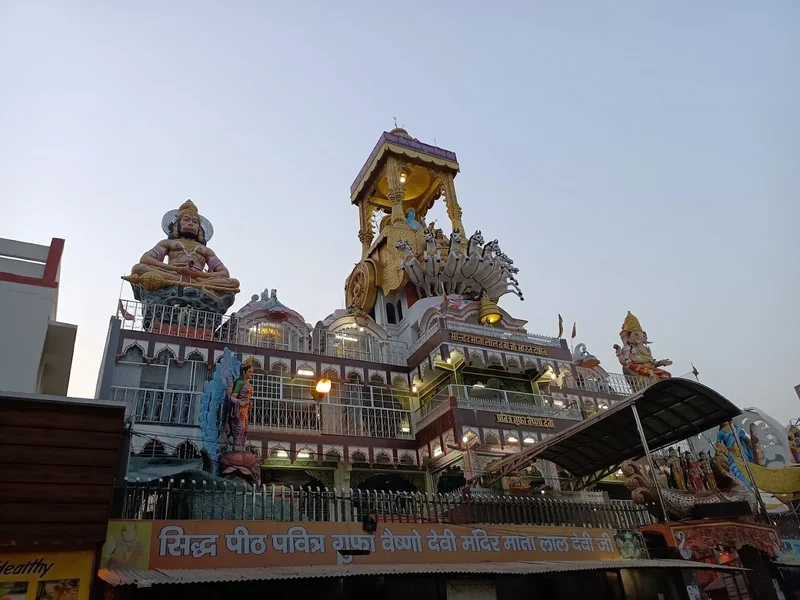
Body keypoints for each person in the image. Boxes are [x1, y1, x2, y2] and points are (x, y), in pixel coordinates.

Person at [228, 363, 254, 451]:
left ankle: (241, 450)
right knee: (239, 431)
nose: (251, 374)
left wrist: (249, 403)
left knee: (245, 431)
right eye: (249, 372)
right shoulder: (240, 382)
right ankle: (236, 451)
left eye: (252, 372)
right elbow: (232, 397)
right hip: (238, 411)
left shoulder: (247, 383)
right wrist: (240, 403)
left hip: (245, 412)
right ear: (244, 372)